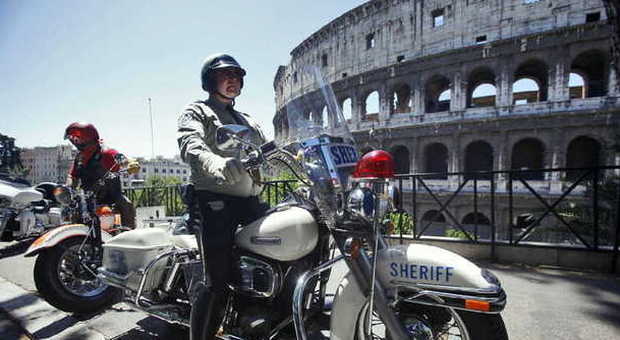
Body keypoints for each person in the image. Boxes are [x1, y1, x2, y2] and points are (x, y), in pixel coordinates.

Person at [177, 53, 266, 340]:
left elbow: (266, 152)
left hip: (250, 200)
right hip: (216, 201)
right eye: (225, 75)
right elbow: (191, 145)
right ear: (210, 81)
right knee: (216, 279)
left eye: (236, 75)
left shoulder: (247, 119)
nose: (232, 80)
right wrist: (216, 164)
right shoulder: (197, 111)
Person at [64, 122, 140, 229]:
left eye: (76, 139)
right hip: (88, 198)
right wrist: (67, 187)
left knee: (126, 205)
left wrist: (130, 163)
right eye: (73, 140)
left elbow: (120, 158)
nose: (74, 142)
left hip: (112, 197)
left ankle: (130, 235)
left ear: (87, 138)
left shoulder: (106, 153)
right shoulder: (80, 158)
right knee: (71, 212)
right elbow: (72, 176)